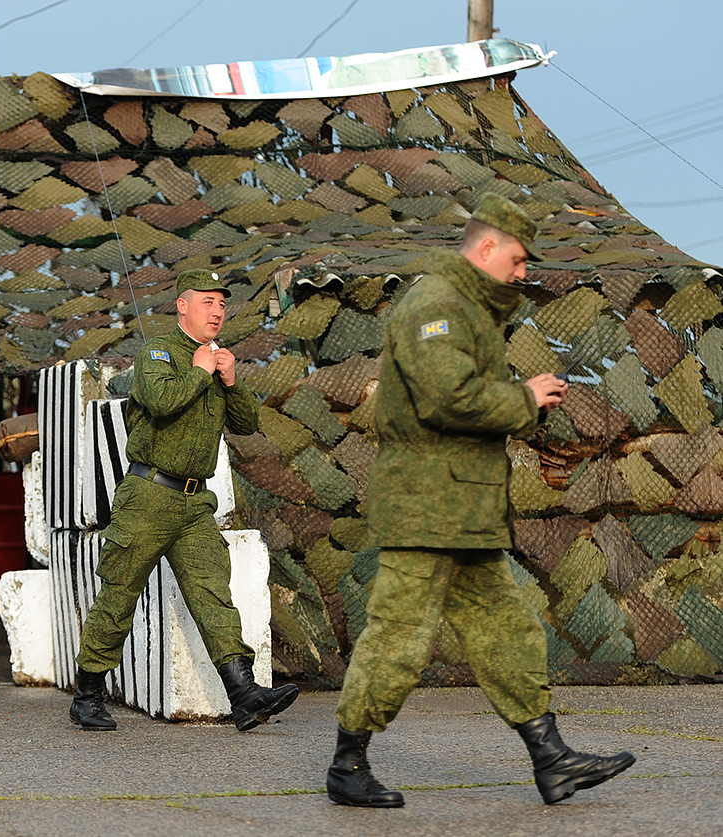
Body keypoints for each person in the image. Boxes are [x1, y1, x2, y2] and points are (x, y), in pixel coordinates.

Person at [327, 194, 635, 807]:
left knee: (508, 628)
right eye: (518, 259)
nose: (523, 274)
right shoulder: (435, 306)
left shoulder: (465, 307)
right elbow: (448, 398)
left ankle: (551, 758)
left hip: (463, 511)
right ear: (487, 246)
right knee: (399, 638)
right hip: (425, 509)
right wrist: (522, 397)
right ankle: (346, 765)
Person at [69, 268, 299, 732]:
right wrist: (199, 371)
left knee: (214, 595)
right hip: (149, 494)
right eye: (208, 302)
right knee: (119, 594)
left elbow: (247, 423)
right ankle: (87, 694)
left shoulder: (216, 360)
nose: (217, 311)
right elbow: (160, 400)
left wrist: (231, 380)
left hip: (195, 502)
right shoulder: (157, 352)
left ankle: (244, 695)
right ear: (183, 305)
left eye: (221, 304)